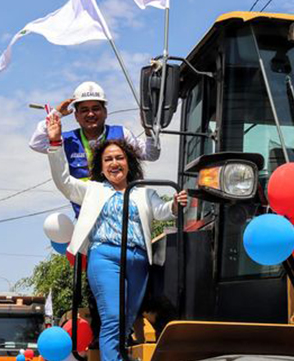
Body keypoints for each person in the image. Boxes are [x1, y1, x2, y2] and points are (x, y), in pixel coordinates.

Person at [45, 113, 187, 361]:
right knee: (112, 316)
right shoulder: (93, 190)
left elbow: (163, 211)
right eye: (108, 159)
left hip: (138, 259)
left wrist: (175, 204)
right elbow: (64, 182)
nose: (114, 163)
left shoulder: (143, 192)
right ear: (100, 166)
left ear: (128, 162)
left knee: (126, 320)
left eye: (119, 158)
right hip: (105, 257)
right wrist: (56, 144)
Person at [29, 81, 161, 215]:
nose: (90, 114)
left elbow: (151, 154)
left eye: (95, 108)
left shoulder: (122, 134)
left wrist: (149, 129)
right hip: (86, 220)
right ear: (76, 116)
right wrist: (55, 115)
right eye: (84, 110)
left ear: (105, 112)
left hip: (123, 216)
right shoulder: (67, 140)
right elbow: (36, 143)